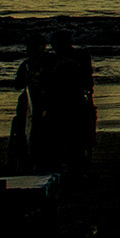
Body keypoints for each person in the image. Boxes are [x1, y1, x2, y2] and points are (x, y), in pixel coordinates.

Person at [43, 30, 95, 167]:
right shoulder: (51, 59)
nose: (54, 46)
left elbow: (88, 77)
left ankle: (76, 157)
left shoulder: (79, 56)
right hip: (60, 98)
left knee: (74, 131)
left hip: (73, 97)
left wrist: (89, 94)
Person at [8, 32, 49, 171]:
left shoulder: (30, 64)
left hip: (42, 100)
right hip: (33, 100)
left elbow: (18, 85)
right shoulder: (28, 64)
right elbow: (18, 84)